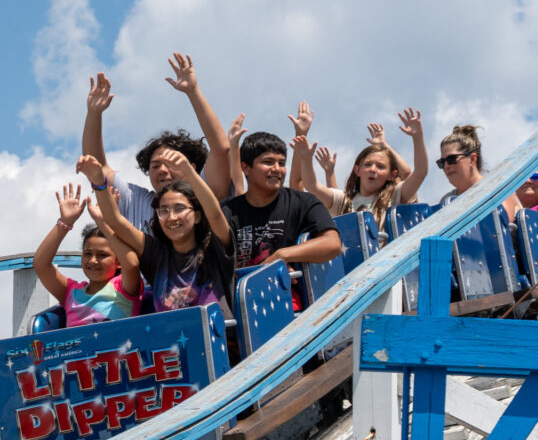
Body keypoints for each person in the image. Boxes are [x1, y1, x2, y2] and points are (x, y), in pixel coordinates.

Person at [81, 53, 231, 231]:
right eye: (155, 166)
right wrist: (94, 114)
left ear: (191, 166)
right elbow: (96, 167)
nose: (162, 170)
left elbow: (221, 149)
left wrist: (193, 91)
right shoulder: (139, 201)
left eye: (171, 163)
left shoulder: (207, 191)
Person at [76, 152, 236, 317]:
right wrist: (98, 182)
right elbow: (114, 220)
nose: (172, 217)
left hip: (219, 339)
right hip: (172, 341)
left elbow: (216, 214)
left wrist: (189, 172)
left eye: (179, 209)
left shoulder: (215, 248)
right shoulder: (156, 255)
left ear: (197, 215)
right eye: (164, 211)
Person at [224, 131, 341, 309]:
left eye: (281, 163)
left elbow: (332, 244)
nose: (277, 169)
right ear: (246, 168)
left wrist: (282, 256)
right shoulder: (229, 211)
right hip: (242, 304)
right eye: (268, 162)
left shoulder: (303, 202)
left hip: (292, 307)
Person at [294, 108, 429, 231]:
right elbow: (312, 186)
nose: (373, 169)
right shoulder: (343, 200)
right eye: (368, 164)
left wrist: (418, 137)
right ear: (357, 170)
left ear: (392, 175)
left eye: (380, 166)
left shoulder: (395, 195)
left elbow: (420, 173)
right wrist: (306, 160)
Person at [33, 183, 143, 326]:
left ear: (118, 262)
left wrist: (102, 222)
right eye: (88, 254)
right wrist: (65, 223)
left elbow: (132, 264)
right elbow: (40, 264)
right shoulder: (71, 293)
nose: (93, 260)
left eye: (102, 255)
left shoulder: (124, 287)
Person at [438, 125, 521, 219]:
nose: (446, 166)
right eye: (441, 162)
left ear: (472, 159)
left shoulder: (498, 189)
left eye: (451, 159)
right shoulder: (446, 201)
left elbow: (501, 227)